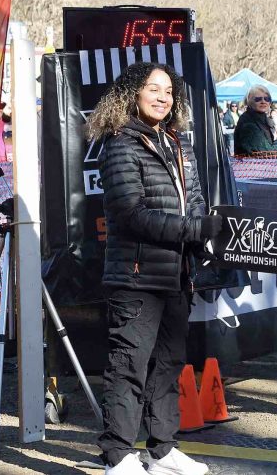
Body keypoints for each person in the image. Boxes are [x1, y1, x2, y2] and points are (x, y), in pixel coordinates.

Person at [86, 62, 219, 475]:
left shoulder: (178, 144)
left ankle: (162, 451)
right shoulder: (121, 144)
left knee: (168, 364)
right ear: (132, 93)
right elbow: (131, 214)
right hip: (136, 277)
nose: (163, 97)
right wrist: (196, 228)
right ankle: (118, 456)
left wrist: (198, 230)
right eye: (153, 89)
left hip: (178, 274)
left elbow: (195, 197)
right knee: (129, 365)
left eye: (169, 91)